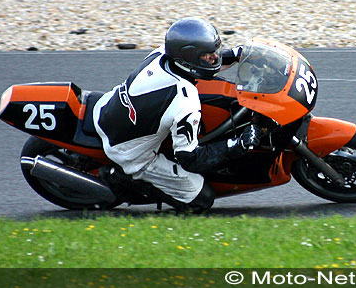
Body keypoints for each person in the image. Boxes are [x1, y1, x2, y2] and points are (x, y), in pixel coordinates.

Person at [93, 17, 263, 213]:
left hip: (108, 108)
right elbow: (190, 158)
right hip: (129, 152)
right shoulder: (184, 101)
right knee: (202, 199)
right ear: (189, 58)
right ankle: (120, 178)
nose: (214, 57)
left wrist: (235, 55)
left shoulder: (162, 53)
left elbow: (202, 64)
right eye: (208, 55)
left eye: (214, 52)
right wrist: (237, 145)